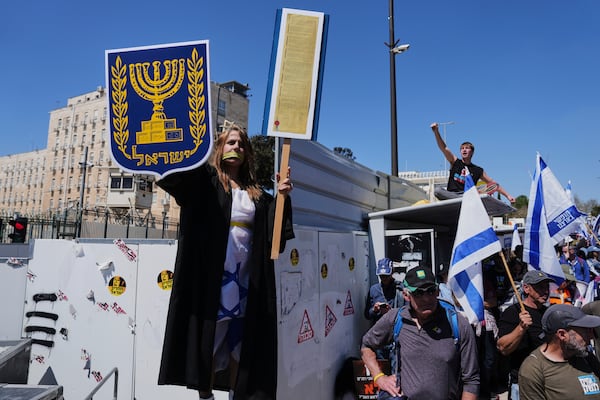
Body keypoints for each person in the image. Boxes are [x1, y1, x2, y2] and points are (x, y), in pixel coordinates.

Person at [156, 125, 294, 400]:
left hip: (245, 285)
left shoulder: (258, 196)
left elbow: (275, 239)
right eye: (230, 142)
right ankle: (206, 397)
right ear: (219, 148)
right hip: (213, 285)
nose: (236, 147)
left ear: (247, 153)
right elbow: (175, 178)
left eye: (241, 144)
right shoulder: (205, 183)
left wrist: (283, 197)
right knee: (207, 347)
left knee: (239, 348)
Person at [361, 267, 479, 400]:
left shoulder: (458, 324)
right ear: (406, 295)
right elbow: (366, 346)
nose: (426, 299)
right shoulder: (395, 319)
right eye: (418, 293)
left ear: (438, 291)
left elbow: (471, 380)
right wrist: (379, 377)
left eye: (430, 291)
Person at [518, 303, 600, 399]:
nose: (591, 336)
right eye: (585, 331)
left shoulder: (585, 356)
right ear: (562, 335)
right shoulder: (533, 370)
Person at [497, 270, 554, 400]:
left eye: (547, 287)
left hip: (549, 380)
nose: (545, 291)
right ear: (526, 288)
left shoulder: (550, 314)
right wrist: (521, 328)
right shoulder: (513, 312)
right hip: (523, 383)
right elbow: (503, 348)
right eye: (540, 287)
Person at [430, 122, 515, 203]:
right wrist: (436, 132)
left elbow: (494, 184)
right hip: (452, 195)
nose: (464, 150)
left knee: (494, 185)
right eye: (462, 148)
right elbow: (444, 148)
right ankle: (467, 198)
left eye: (467, 148)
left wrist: (508, 195)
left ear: (472, 152)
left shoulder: (478, 170)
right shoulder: (454, 161)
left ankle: (470, 197)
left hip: (468, 194)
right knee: (437, 190)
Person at [364, 258, 402, 325]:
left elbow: (407, 311)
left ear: (392, 272)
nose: (384, 278)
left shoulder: (400, 288)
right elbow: (367, 315)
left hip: (396, 327)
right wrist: (374, 310)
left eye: (386, 276)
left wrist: (391, 312)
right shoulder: (374, 290)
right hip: (379, 329)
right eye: (381, 276)